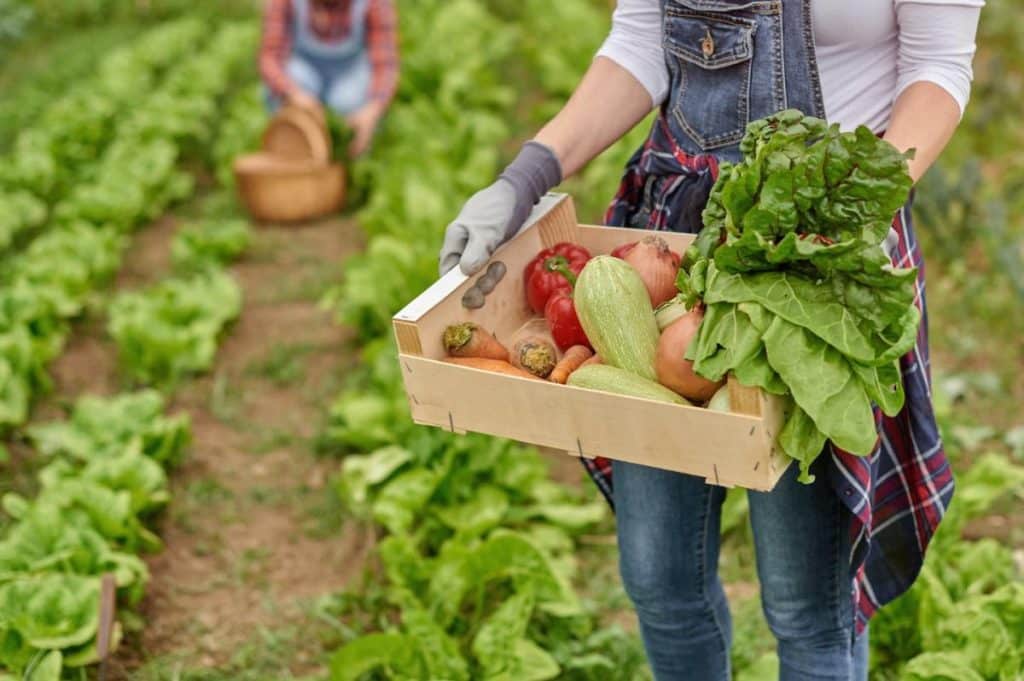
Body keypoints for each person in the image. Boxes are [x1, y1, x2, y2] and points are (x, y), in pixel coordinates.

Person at [439, 2, 984, 680]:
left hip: (823, 252)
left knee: (805, 602)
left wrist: (861, 207)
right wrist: (526, 175)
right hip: (675, 238)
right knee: (659, 577)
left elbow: (936, 65)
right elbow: (642, 39)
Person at [260, 0, 398, 157]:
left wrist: (372, 111)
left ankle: (351, 162)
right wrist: (293, 95)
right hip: (305, 72)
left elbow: (386, 65)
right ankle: (290, 157)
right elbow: (270, 58)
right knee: (292, 83)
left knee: (350, 103)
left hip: (350, 73)